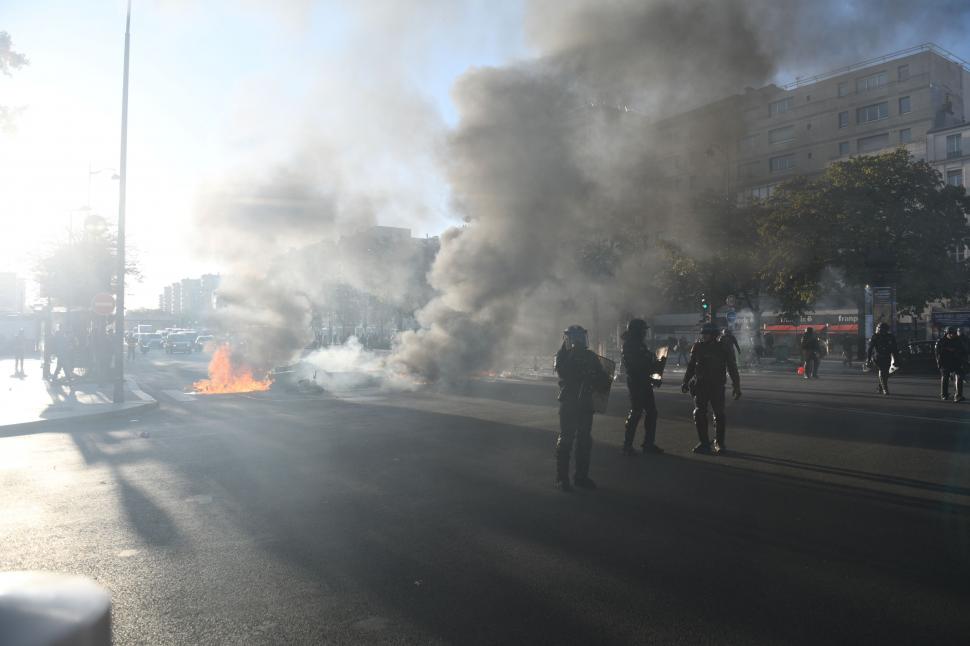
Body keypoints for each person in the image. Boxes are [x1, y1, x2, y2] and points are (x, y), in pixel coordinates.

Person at [554, 324, 610, 491]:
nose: (578, 341)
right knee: (566, 439)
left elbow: (603, 378)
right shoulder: (562, 355)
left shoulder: (590, 356)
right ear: (568, 338)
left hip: (586, 402)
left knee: (585, 440)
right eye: (575, 337)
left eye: (580, 337)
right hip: (569, 401)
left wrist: (597, 378)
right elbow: (562, 372)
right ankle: (562, 478)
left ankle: (581, 476)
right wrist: (572, 356)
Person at [681, 322, 741, 455]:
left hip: (717, 385)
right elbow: (691, 366)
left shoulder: (723, 348)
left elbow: (732, 368)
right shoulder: (698, 347)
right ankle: (703, 443)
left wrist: (736, 386)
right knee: (699, 413)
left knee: (719, 414)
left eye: (707, 334)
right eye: (703, 334)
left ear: (714, 335)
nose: (704, 336)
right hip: (700, 385)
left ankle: (719, 443)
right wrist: (685, 381)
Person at [621, 318, 665, 456]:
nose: (645, 332)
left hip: (644, 381)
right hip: (636, 382)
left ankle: (648, 444)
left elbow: (646, 363)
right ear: (636, 331)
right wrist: (653, 367)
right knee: (636, 412)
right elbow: (637, 366)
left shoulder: (639, 344)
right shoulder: (629, 345)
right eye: (643, 330)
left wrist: (656, 368)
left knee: (652, 412)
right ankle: (627, 445)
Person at [935, 326, 966, 402]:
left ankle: (958, 396)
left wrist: (957, 352)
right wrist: (939, 363)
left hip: (956, 362)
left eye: (954, 333)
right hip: (945, 362)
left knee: (959, 377)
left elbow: (964, 350)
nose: (953, 335)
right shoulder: (941, 341)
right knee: (945, 377)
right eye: (951, 333)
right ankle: (944, 394)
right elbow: (937, 353)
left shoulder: (958, 340)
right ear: (946, 333)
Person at [867, 322, 899, 396]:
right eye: (880, 328)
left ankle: (880, 387)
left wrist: (896, 359)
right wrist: (868, 359)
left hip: (888, 357)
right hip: (877, 357)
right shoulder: (875, 336)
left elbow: (894, 349)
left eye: (883, 329)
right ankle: (885, 389)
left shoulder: (891, 337)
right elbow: (870, 349)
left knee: (886, 373)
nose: (881, 330)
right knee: (882, 370)